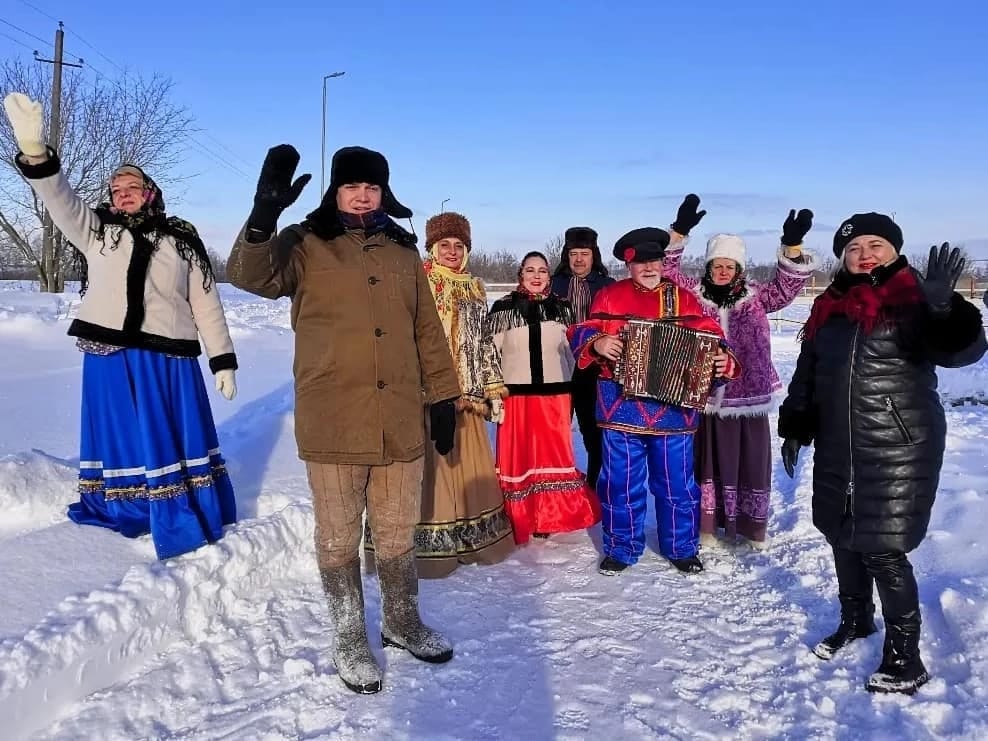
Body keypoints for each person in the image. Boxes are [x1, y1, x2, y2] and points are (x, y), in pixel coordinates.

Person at [228, 144, 462, 695]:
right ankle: (350, 635)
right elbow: (249, 276)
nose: (362, 194)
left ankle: (402, 623)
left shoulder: (404, 253)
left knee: (396, 529)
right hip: (333, 416)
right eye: (352, 185)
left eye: (372, 187)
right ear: (335, 190)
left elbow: (427, 330)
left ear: (385, 193)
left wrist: (445, 397)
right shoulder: (306, 244)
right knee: (337, 535)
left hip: (400, 417)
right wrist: (264, 217)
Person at [3, 93, 238, 560]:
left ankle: (181, 507)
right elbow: (59, 200)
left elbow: (206, 304)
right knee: (123, 433)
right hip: (108, 355)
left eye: (131, 185)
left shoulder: (182, 241)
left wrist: (222, 361)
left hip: (167, 357)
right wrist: (36, 154)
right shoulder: (96, 231)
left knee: (167, 433)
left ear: (150, 191)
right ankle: (128, 509)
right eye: (115, 188)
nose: (121, 191)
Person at [779, 213, 987, 694]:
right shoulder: (829, 307)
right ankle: (856, 622)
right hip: (839, 441)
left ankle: (905, 658)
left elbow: (963, 352)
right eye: (853, 248)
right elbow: (809, 373)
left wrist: (942, 308)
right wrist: (795, 425)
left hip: (899, 444)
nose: (864, 253)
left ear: (894, 249)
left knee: (882, 548)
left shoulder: (913, 300)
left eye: (875, 244)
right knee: (839, 533)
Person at [568, 227, 741, 575]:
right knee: (621, 481)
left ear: (664, 262)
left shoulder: (685, 299)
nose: (649, 268)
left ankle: (680, 546)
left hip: (674, 413)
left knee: (677, 483)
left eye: (655, 260)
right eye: (641, 262)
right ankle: (621, 546)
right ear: (628, 265)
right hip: (620, 408)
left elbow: (716, 344)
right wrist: (598, 342)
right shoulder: (610, 297)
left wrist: (724, 361)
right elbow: (580, 331)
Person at [662, 195, 816, 547]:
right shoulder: (692, 294)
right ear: (708, 266)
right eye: (717, 264)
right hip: (703, 392)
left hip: (748, 392)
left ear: (739, 269)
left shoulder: (758, 295)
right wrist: (679, 232)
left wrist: (791, 247)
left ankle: (748, 526)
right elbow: (667, 273)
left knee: (749, 461)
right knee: (706, 461)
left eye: (730, 266)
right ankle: (707, 526)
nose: (723, 271)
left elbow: (787, 287)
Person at [398, 210, 514, 577]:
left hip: (468, 394)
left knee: (467, 470)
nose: (451, 251)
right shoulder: (419, 280)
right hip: (428, 394)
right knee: (431, 470)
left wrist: (493, 388)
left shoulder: (475, 286)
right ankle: (431, 549)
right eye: (443, 245)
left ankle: (470, 540)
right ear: (431, 248)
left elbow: (482, 343)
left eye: (458, 245)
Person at [482, 251, 600, 544]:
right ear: (520, 274)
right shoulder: (502, 308)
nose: (536, 276)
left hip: (555, 394)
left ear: (549, 276)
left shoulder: (564, 308)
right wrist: (492, 390)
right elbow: (488, 353)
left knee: (552, 453)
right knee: (519, 455)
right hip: (515, 396)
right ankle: (518, 515)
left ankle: (549, 514)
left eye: (542, 271)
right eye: (530, 270)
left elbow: (575, 350)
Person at [550, 227, 615, 487]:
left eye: (584, 254)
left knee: (592, 430)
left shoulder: (607, 287)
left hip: (594, 369)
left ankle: (594, 483)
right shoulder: (555, 285)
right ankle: (556, 484)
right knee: (556, 428)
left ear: (593, 255)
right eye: (573, 253)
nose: (578, 259)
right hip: (558, 365)